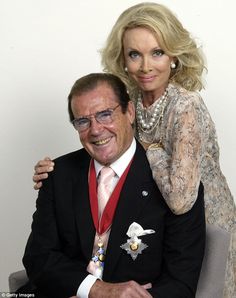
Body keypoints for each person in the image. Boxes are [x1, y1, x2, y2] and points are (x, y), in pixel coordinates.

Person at [32, 2, 236, 296]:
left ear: (174, 55)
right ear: (123, 59)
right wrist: (55, 173)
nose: (145, 66)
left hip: (201, 216)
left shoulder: (185, 105)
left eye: (157, 52)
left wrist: (151, 149)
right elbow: (109, 145)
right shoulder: (135, 99)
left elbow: (180, 200)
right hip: (157, 207)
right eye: (134, 54)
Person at [20, 73, 205, 298]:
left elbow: (181, 282)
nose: (96, 130)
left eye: (105, 114)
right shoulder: (57, 174)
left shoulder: (174, 183)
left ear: (129, 112)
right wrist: (95, 289)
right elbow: (38, 256)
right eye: (83, 121)